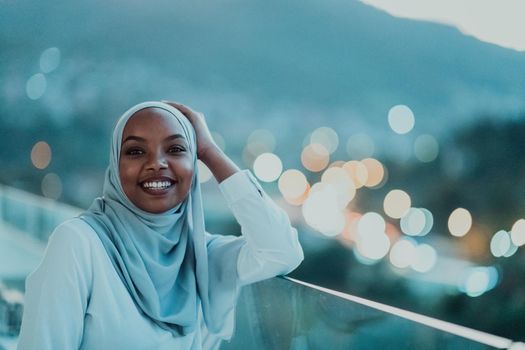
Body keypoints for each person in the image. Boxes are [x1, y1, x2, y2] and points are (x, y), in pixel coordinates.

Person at [17, 101, 304, 349]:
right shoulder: (79, 244)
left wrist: (210, 151)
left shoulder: (201, 255)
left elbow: (282, 251)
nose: (157, 163)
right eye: (135, 152)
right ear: (115, 167)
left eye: (177, 149)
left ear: (194, 162)